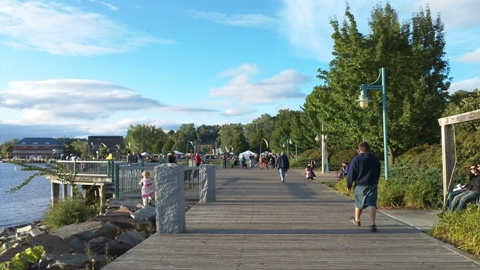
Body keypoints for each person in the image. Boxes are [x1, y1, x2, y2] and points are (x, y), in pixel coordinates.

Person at [347, 141, 381, 232]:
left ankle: (357, 220)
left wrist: (349, 184)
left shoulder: (356, 159)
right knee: (372, 203)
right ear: (368, 149)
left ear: (359, 150)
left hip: (360, 185)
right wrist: (375, 179)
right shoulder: (375, 159)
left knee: (358, 203)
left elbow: (351, 173)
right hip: (372, 184)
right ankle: (373, 223)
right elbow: (378, 170)